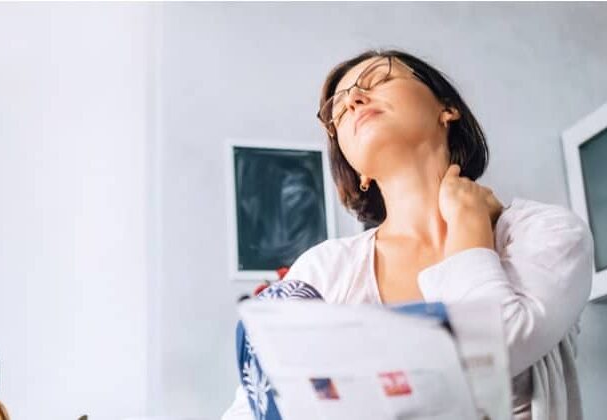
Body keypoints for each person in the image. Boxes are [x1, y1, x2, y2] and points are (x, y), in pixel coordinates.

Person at [221, 49, 595, 420]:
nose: (353, 100)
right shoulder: (323, 269)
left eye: (379, 79)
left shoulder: (544, 232)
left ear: (447, 108)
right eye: (338, 109)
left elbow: (498, 348)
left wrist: (468, 229)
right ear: (356, 169)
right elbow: (251, 410)